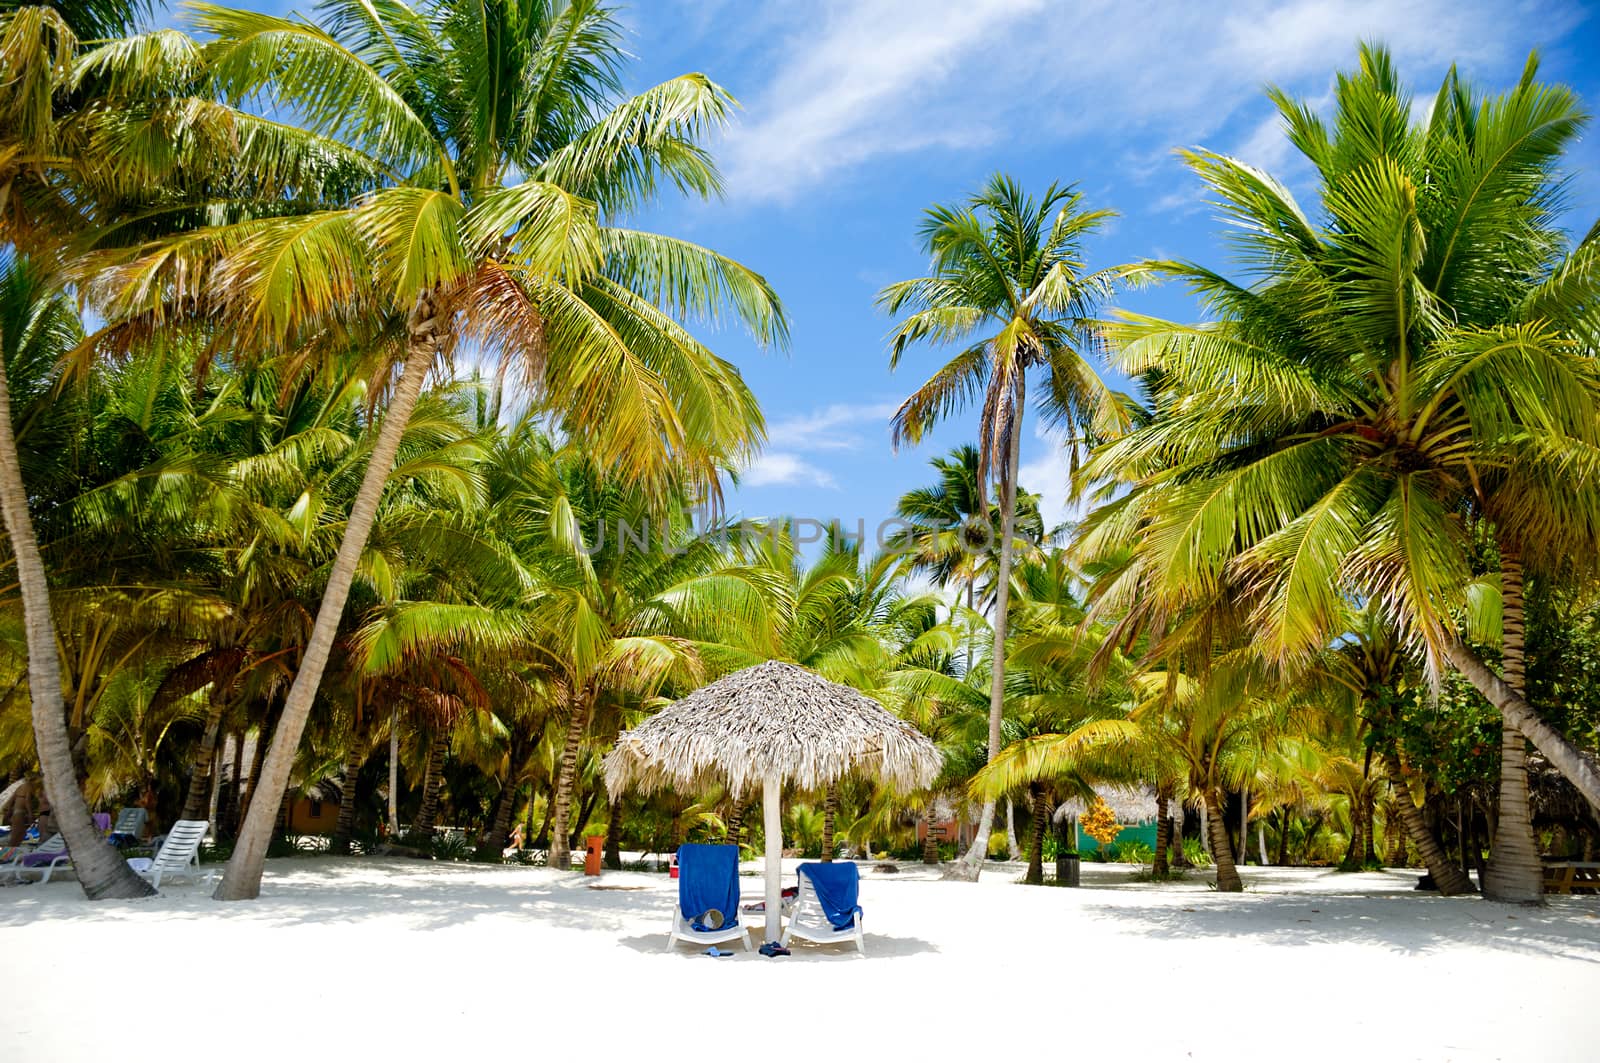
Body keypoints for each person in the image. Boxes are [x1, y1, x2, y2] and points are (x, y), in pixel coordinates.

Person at [3, 775, 41, 846]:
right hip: (20, 813)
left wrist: (8, 811)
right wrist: (30, 814)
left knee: (20, 835)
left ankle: (10, 852)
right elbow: (27, 801)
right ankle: (8, 854)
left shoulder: (20, 787)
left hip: (16, 812)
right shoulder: (30, 787)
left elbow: (11, 800)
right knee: (15, 838)